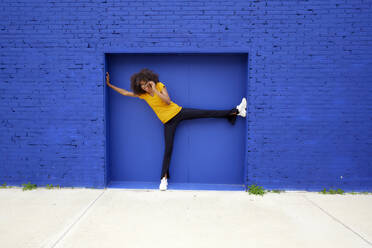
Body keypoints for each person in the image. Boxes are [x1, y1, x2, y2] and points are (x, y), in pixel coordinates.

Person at [106, 68, 247, 191]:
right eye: (141, 85)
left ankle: (236, 111)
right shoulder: (143, 95)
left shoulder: (159, 86)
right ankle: (163, 179)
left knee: (205, 113)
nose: (144, 87)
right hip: (168, 123)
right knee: (168, 149)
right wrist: (109, 84)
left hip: (179, 112)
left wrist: (154, 89)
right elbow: (125, 93)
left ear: (150, 80)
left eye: (145, 83)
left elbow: (167, 101)